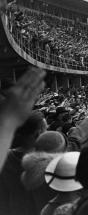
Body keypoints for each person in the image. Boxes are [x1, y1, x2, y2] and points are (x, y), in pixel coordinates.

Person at [0, 66, 46, 215]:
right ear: (37, 133)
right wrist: (8, 121)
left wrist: (9, 121)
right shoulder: (49, 162)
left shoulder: (6, 156)